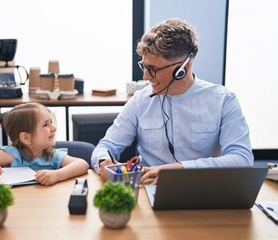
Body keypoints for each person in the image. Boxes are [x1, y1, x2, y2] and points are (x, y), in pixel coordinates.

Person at [91, 18, 253, 184]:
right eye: (144, 66)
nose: (146, 77)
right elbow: (106, 146)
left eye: (153, 69)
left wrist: (179, 169)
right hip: (149, 190)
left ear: (183, 69)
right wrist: (104, 162)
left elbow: (242, 159)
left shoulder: (223, 100)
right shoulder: (140, 101)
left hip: (204, 188)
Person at [0, 102, 89, 186]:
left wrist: (56, 175)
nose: (54, 128)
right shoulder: (13, 154)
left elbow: (82, 164)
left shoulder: (52, 156)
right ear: (26, 138)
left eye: (51, 122)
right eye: (45, 125)